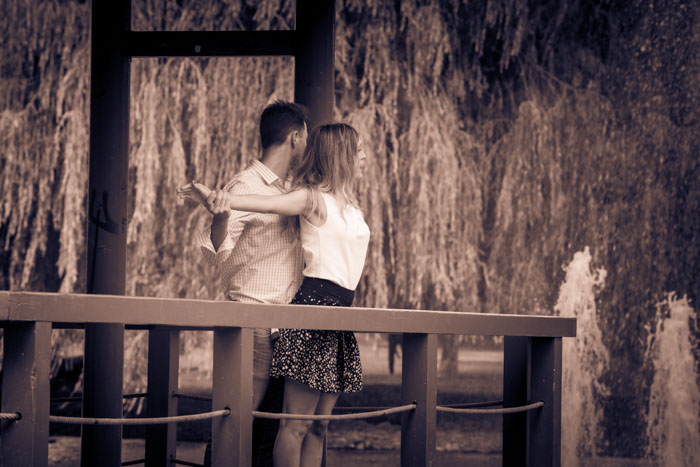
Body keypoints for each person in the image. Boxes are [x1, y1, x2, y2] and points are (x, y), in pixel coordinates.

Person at [178, 122, 370, 467]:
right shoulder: (311, 198)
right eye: (359, 150)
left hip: (341, 317)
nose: (365, 157)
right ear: (342, 155)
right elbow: (265, 204)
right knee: (295, 426)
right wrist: (217, 198)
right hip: (312, 311)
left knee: (319, 428)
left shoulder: (354, 208)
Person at [191, 101, 308, 467]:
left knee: (268, 432)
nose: (307, 146)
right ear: (295, 138)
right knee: (235, 423)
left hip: (285, 325)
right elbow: (214, 252)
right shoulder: (244, 185)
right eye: (306, 138)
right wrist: (220, 218)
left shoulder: (292, 190)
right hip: (253, 321)